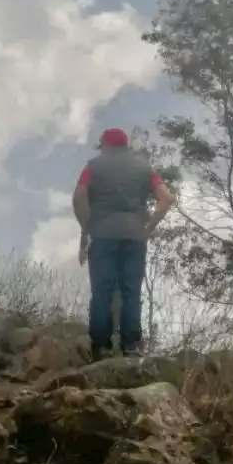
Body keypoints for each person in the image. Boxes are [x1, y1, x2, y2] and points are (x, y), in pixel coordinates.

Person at [72, 127, 174, 360]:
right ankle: (131, 346)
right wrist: (148, 228)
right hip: (134, 237)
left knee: (102, 290)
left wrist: (86, 229)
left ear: (106, 145)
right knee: (131, 291)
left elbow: (79, 196)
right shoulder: (145, 168)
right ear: (125, 145)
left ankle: (100, 346)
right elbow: (166, 198)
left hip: (103, 235)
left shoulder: (93, 166)